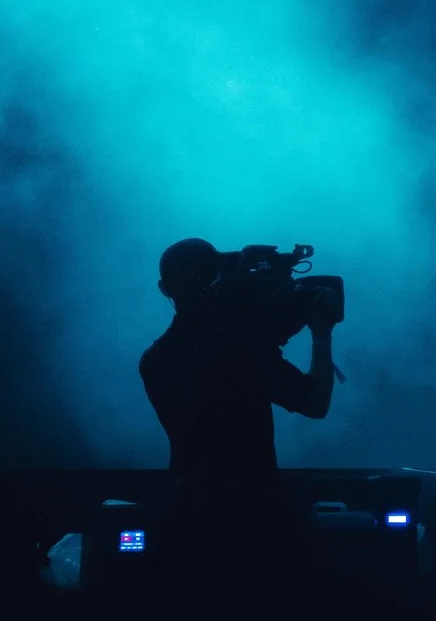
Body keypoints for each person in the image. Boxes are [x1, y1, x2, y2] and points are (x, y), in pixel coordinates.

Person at [139, 237, 338, 583]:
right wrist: (321, 335)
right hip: (252, 520)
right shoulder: (240, 349)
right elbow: (315, 403)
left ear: (164, 288)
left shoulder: (154, 361)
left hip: (190, 515)